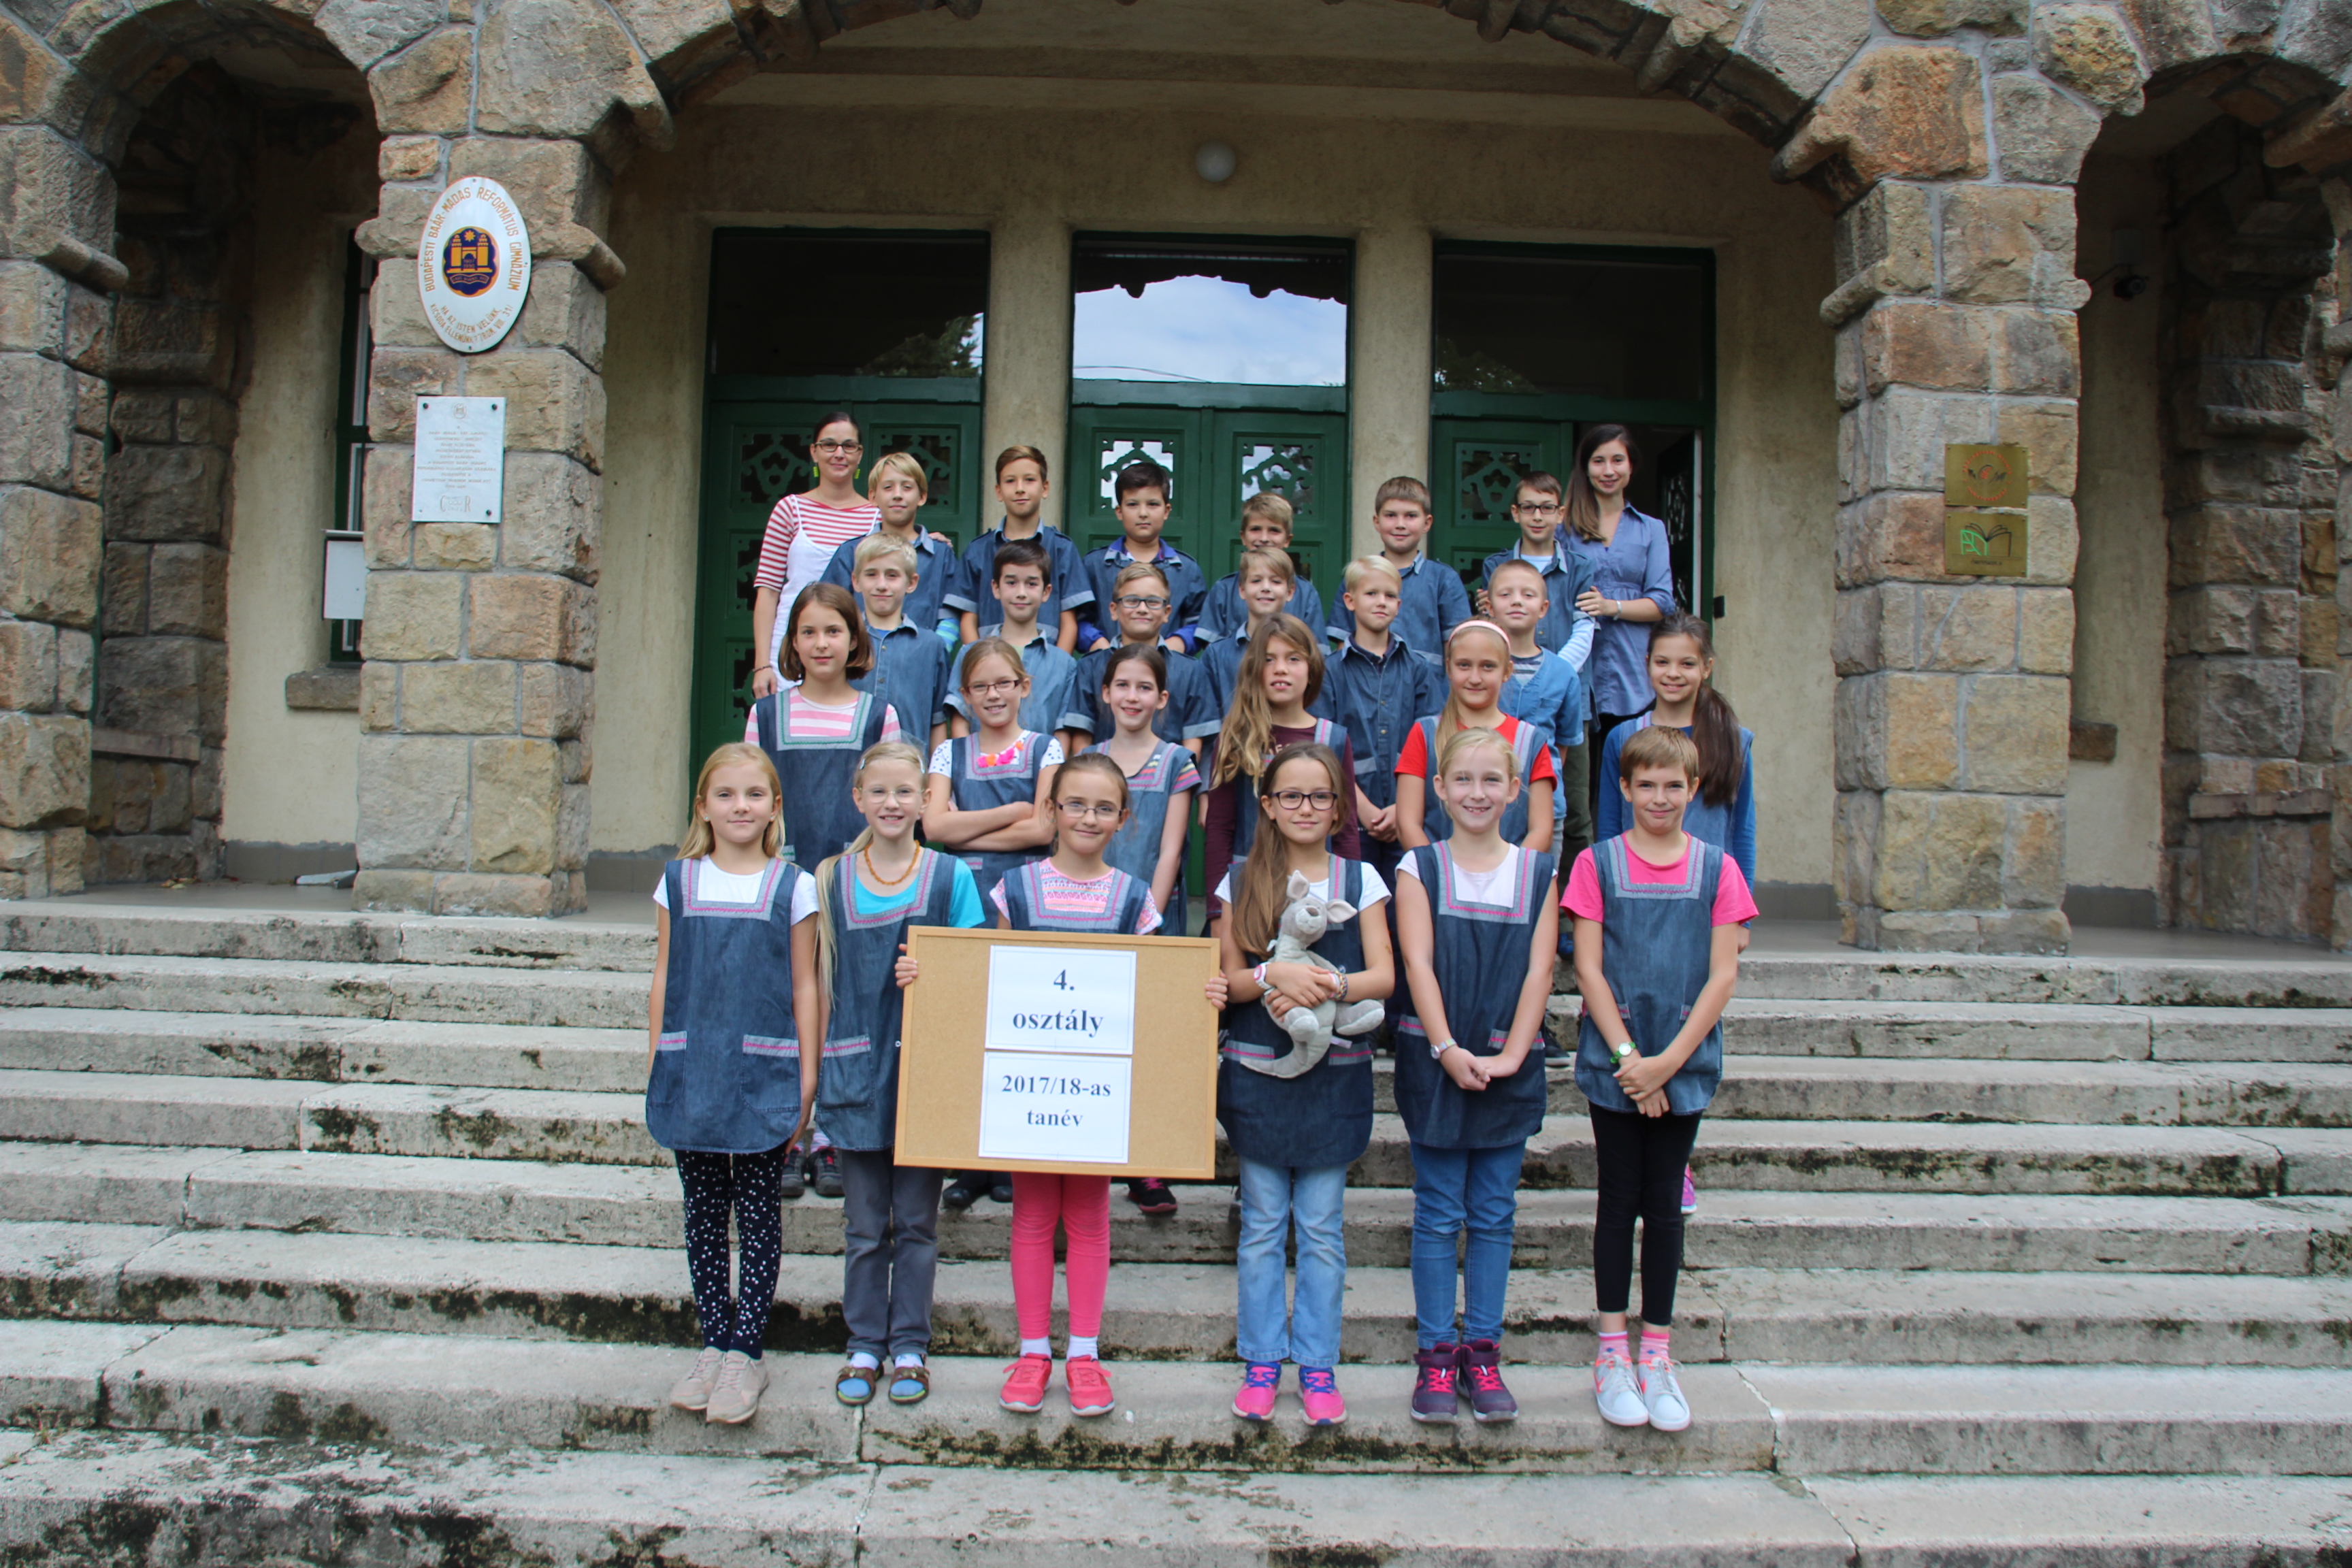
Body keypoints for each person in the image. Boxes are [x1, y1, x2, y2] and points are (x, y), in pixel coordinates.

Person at [992, 753, 1227, 1418]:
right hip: (1034, 1087)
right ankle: (1032, 1351)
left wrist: (1201, 991)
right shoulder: (1015, 890)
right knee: (1032, 1215)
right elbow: (995, 975)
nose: (1088, 818)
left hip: (1098, 1093)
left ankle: (1084, 1355)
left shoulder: (1134, 899)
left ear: (1124, 819)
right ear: (1052, 811)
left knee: (1091, 1217)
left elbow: (1155, 990)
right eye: (1075, 804)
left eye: (1103, 808)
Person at [1565, 725, 1755, 1435]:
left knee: (1665, 1207)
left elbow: (1722, 975)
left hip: (1683, 1059)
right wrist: (1630, 1061)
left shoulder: (1717, 869)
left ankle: (1657, 1352)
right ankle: (1612, 1352)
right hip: (1617, 1060)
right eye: (1646, 785)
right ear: (1624, 788)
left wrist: (1666, 1064)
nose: (1660, 797)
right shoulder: (1597, 864)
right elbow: (1588, 968)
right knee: (1618, 1201)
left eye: (1674, 786)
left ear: (1694, 790)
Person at [1213, 742, 1392, 1428]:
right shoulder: (1239, 879)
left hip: (1334, 1081)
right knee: (1262, 1225)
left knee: (1320, 1228)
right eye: (1291, 795)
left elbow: (1383, 976)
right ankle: (1262, 1360)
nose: (1306, 808)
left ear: (1339, 807)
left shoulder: (1360, 880)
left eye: (1320, 796)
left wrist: (1325, 983)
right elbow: (1230, 981)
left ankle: (1317, 1364)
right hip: (1259, 1073)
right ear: (1267, 805)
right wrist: (1271, 976)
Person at [649, 743, 821, 1428]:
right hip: (693, 1067)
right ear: (703, 807)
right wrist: (658, 1057)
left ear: (775, 807)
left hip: (762, 1070)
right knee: (701, 1211)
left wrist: (808, 1075)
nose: (740, 807)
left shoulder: (793, 886)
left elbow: (805, 984)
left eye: (754, 795)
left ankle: (748, 1351)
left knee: (756, 1211)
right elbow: (665, 975)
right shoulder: (677, 882)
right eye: (725, 794)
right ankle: (713, 1342)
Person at [811, 741, 986, 1408]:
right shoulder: (829, 879)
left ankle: (910, 1343)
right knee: (863, 1225)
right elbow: (815, 981)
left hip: (924, 1074)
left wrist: (936, 972)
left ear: (925, 801)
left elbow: (974, 971)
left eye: (904, 792)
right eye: (878, 792)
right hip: (855, 1070)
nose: (891, 803)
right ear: (858, 799)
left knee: (916, 1221)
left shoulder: (950, 878)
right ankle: (864, 1343)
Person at [1391, 728, 1558, 1425]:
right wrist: (1446, 1048)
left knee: (1493, 1213)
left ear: (1516, 791)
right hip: (1437, 1062)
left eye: (1492, 780)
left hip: (1507, 1065)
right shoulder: (1419, 867)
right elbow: (1418, 964)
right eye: (1462, 779)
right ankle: (1436, 1354)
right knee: (1437, 1213)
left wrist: (1514, 1055)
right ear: (1439, 789)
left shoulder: (1539, 872)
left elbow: (1541, 970)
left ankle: (1483, 1352)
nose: (1477, 793)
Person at [922, 637, 1060, 1213]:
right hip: (962, 904)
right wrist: (1012, 812)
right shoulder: (949, 753)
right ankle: (971, 1159)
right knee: (969, 1028)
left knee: (1017, 1029)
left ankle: (1011, 1158)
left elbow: (1043, 831)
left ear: (1024, 686)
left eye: (1004, 683)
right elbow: (933, 830)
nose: (994, 694)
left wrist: (968, 827)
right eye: (981, 686)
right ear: (966, 695)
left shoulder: (1047, 749)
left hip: (1023, 906)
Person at [1083, 642, 1203, 1219]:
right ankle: (1086, 1147)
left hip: (1153, 920)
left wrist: (1145, 921)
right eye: (1123, 686)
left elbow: (1171, 850)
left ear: (1163, 698)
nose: (1133, 697)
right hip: (1090, 915)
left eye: (1144, 687)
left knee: (1147, 1040)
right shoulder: (1088, 760)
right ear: (1106, 693)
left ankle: (1146, 1165)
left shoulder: (1178, 761)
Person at [1201, 614, 1360, 919]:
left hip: (1320, 900)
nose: (1281, 669)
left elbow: (1347, 829)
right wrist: (1217, 912)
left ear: (1312, 670)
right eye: (1269, 659)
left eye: (1293, 658)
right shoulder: (1235, 739)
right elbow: (1220, 828)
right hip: (1249, 895)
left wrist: (1351, 903)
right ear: (1254, 670)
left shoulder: (1334, 739)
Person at [1559, 425, 1678, 819]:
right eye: (1598, 461)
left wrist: (1612, 607)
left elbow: (1662, 601)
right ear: (1585, 467)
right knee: (1577, 784)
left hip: (1631, 667)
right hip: (1579, 665)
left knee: (1630, 773)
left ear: (1631, 466)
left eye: (1617, 460)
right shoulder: (1565, 528)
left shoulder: (1650, 529)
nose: (1608, 470)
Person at [1324, 555, 1443, 895]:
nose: (1381, 602)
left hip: (1408, 817)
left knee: (1403, 904)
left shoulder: (1418, 669)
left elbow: (1432, 742)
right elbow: (1324, 748)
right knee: (1351, 902)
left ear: (1399, 605)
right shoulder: (1330, 672)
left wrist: (1402, 809)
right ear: (1350, 601)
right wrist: (1362, 809)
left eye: (1390, 595)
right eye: (1371, 594)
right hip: (1346, 818)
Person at [1394, 621, 1556, 855]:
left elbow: (1541, 830)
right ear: (1449, 668)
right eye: (1464, 665)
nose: (1475, 678)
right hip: (1438, 874)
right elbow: (1408, 824)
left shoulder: (1530, 740)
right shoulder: (1426, 734)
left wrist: (1511, 872)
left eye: (1488, 666)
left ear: (1507, 671)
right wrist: (1436, 870)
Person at [751, 412, 879, 698]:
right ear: (814, 452)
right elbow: (768, 591)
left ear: (860, 454)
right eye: (829, 445)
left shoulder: (877, 516)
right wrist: (762, 665)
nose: (839, 454)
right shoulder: (789, 509)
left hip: (851, 650)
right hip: (792, 645)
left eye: (849, 446)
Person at [1486, 558, 1591, 865]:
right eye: (1506, 594)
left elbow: (1563, 745)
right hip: (1484, 806)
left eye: (1528, 594)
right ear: (1489, 606)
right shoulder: (1479, 669)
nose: (1517, 601)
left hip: (1545, 810)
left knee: (1539, 882)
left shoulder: (1563, 673)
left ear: (1544, 608)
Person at [1061, 561, 1220, 758]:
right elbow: (1082, 735)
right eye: (1131, 600)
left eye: (1153, 602)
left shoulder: (1190, 671)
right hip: (1103, 772)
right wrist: (1090, 773)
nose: (1142, 609)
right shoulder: (1090, 667)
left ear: (1167, 613)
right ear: (1114, 610)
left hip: (1170, 775)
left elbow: (1194, 740)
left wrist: (1181, 775)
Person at [946, 445, 1090, 650]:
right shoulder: (978, 550)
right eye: (1010, 481)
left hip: (1046, 659)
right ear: (999, 491)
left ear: (1045, 488)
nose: (1020, 488)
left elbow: (1069, 623)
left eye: (1029, 480)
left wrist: (1058, 664)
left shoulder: (1062, 549)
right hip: (990, 661)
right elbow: (968, 620)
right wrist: (980, 661)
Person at [946, 539, 1080, 753]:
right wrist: (969, 764)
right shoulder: (969, 653)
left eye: (1031, 584)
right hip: (981, 767)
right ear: (996, 588)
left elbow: (1062, 732)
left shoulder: (1064, 663)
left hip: (1041, 770)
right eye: (1011, 582)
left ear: (1046, 592)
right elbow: (961, 720)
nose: (1021, 592)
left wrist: (1053, 771)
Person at [819, 447, 962, 647]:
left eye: (907, 487)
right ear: (873, 496)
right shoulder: (851, 553)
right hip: (862, 659)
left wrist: (934, 652)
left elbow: (951, 615)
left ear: (922, 496)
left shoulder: (940, 554)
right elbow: (829, 609)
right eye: (888, 487)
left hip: (920, 659)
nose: (897, 495)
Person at [1074, 459, 1208, 653]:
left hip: (1167, 666)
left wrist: (1171, 647)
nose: (1143, 513)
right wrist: (1101, 646)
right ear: (1119, 511)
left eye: (1153, 504)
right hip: (1107, 665)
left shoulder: (1186, 570)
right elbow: (1077, 620)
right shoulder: (1095, 565)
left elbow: (1200, 623)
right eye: (1133, 504)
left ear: (1166, 511)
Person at [1325, 476, 1470, 655]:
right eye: (1391, 516)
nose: (1400, 525)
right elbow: (1343, 646)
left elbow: (1457, 646)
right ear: (1377, 522)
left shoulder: (1444, 579)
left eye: (1411, 516)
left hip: (1425, 675)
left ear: (1427, 523)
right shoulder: (1358, 576)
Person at [1477, 470, 1597, 666]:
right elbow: (1493, 626)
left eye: (1547, 508)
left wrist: (1556, 671)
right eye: (1528, 507)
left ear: (1560, 514)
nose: (1538, 517)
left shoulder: (1580, 567)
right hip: (1510, 673)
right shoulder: (1496, 566)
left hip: (1567, 675)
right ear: (1516, 513)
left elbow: (1584, 630)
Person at [847, 533, 951, 755]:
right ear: (856, 581)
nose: (881, 585)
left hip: (911, 767)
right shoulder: (846, 643)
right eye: (871, 575)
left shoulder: (931, 646)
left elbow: (937, 720)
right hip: (849, 766)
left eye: (892, 575)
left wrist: (936, 772)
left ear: (911, 583)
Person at [1198, 547, 1328, 713]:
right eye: (1256, 581)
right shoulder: (1217, 655)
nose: (1266, 588)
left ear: (1290, 592)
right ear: (1242, 590)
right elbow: (1207, 715)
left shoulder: (1305, 653)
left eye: (1276, 581)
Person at [1197, 493, 1324, 647]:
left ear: (1287, 540)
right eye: (1256, 529)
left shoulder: (1306, 594)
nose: (1264, 538)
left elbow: (1316, 652)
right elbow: (1212, 652)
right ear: (1243, 537)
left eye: (1274, 530)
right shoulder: (1224, 589)